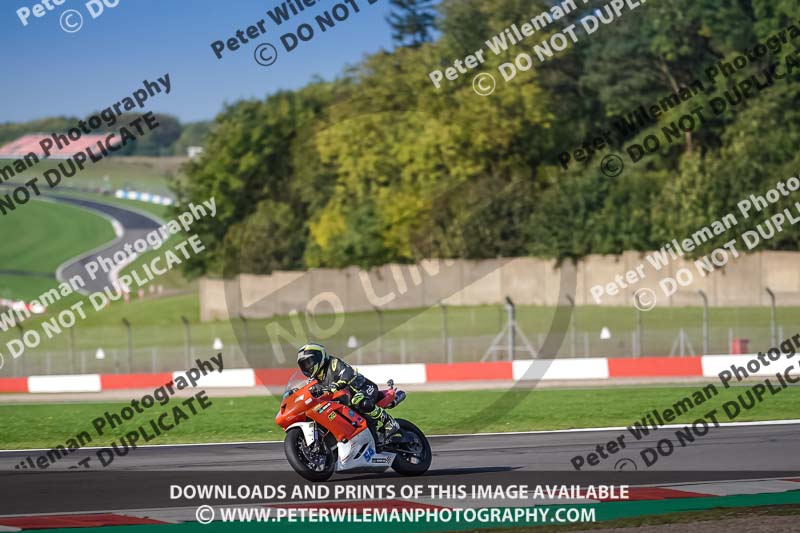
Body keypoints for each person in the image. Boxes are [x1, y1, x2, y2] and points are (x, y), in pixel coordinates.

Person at [297, 343, 400, 442]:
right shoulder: (314, 379)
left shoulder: (333, 363)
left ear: (319, 357)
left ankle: (389, 422)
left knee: (359, 401)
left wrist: (338, 384)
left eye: (308, 362)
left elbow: (348, 372)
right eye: (303, 365)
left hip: (364, 388)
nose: (307, 367)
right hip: (346, 401)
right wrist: (296, 393)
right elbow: (308, 391)